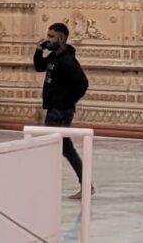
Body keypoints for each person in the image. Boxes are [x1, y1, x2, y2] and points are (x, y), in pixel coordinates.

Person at [32, 22, 89, 183]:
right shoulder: (54, 56)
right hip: (54, 108)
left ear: (61, 39)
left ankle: (47, 182)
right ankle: (85, 182)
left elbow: (82, 84)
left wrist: (67, 101)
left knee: (52, 146)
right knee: (66, 148)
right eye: (48, 35)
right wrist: (39, 51)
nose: (47, 39)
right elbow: (39, 67)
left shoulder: (68, 61)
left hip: (60, 111)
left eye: (51, 36)